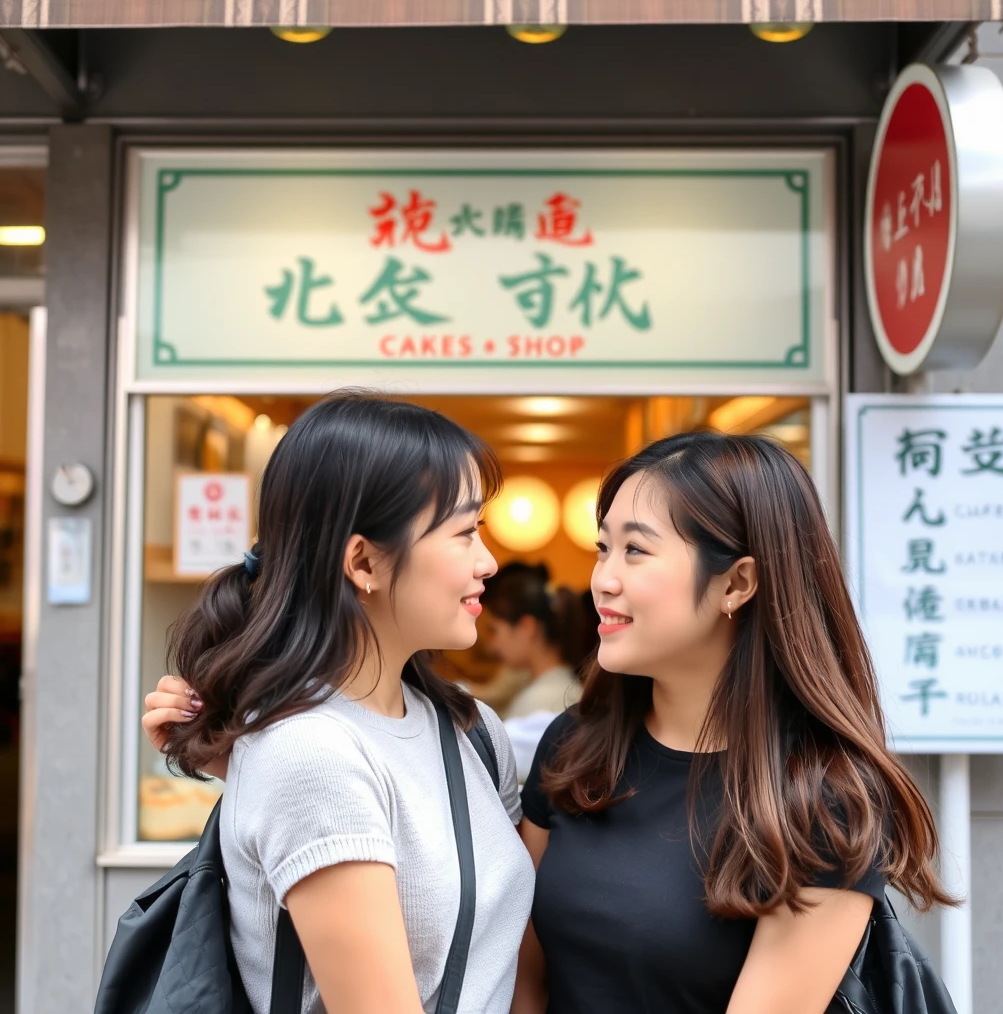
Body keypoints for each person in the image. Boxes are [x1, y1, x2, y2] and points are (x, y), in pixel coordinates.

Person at [513, 432, 955, 1014]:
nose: (603, 579)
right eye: (602, 548)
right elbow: (523, 986)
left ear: (738, 583)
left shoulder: (819, 800)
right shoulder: (575, 749)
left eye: (635, 551)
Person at [142, 393, 534, 1014]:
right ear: (363, 562)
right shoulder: (309, 753)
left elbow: (513, 970)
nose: (487, 562)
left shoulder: (472, 730)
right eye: (463, 533)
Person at [482, 562, 588, 784]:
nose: (493, 645)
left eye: (495, 630)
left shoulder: (542, 699)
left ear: (527, 626)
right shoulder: (558, 686)